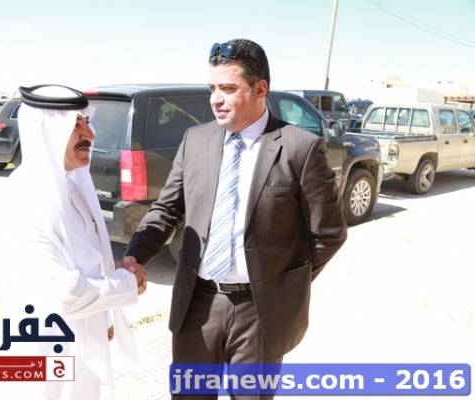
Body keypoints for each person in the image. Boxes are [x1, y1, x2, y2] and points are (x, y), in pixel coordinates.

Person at [123, 39, 347, 397]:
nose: (216, 99)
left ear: (260, 89)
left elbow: (329, 233)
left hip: (260, 312)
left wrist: (282, 282)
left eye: (228, 88)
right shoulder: (195, 140)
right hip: (196, 305)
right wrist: (135, 255)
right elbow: (167, 209)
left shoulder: (299, 148)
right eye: (212, 88)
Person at [0, 84, 146, 400]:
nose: (89, 134)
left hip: (78, 344)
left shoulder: (72, 184)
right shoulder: (25, 198)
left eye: (87, 122)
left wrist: (102, 315)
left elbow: (83, 258)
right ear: (47, 131)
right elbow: (64, 292)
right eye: (75, 126)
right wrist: (125, 284)